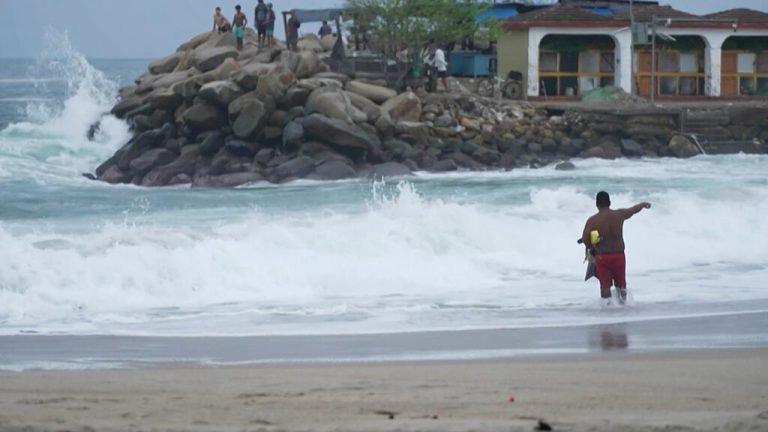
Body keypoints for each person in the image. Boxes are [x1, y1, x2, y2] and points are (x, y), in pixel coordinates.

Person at [581, 191, 651, 304]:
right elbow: (632, 210)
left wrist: (591, 248)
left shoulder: (593, 220)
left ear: (597, 204)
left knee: (605, 287)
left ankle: (607, 309)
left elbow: (585, 238)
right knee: (621, 286)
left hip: (603, 257)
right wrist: (642, 204)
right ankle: (623, 307)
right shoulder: (619, 215)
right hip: (619, 256)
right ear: (609, 202)